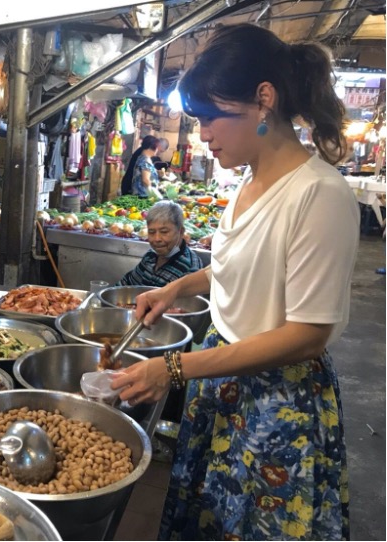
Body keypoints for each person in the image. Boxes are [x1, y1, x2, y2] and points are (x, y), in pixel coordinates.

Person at [112, 23, 358, 540]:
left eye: (209, 118)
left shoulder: (320, 194)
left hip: (275, 405)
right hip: (220, 381)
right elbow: (239, 263)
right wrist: (176, 288)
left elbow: (307, 333)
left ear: (262, 100)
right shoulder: (249, 179)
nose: (202, 134)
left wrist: (175, 367)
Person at [116, 201, 202, 287]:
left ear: (181, 232)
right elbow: (127, 284)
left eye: (164, 232)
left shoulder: (190, 269)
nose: (157, 239)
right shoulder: (151, 256)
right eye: (152, 232)